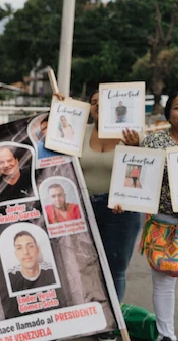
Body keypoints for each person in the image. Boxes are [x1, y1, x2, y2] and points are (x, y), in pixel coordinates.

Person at [73, 90, 141, 341]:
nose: (97, 106)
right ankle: (89, 320)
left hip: (121, 211)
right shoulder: (81, 133)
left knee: (115, 270)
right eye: (93, 103)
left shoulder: (132, 135)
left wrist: (136, 149)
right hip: (83, 209)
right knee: (83, 268)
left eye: (103, 101)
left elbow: (143, 174)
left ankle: (110, 326)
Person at [140, 92, 178, 341]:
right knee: (164, 282)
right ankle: (167, 335)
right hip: (164, 220)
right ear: (168, 112)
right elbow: (137, 175)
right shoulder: (154, 142)